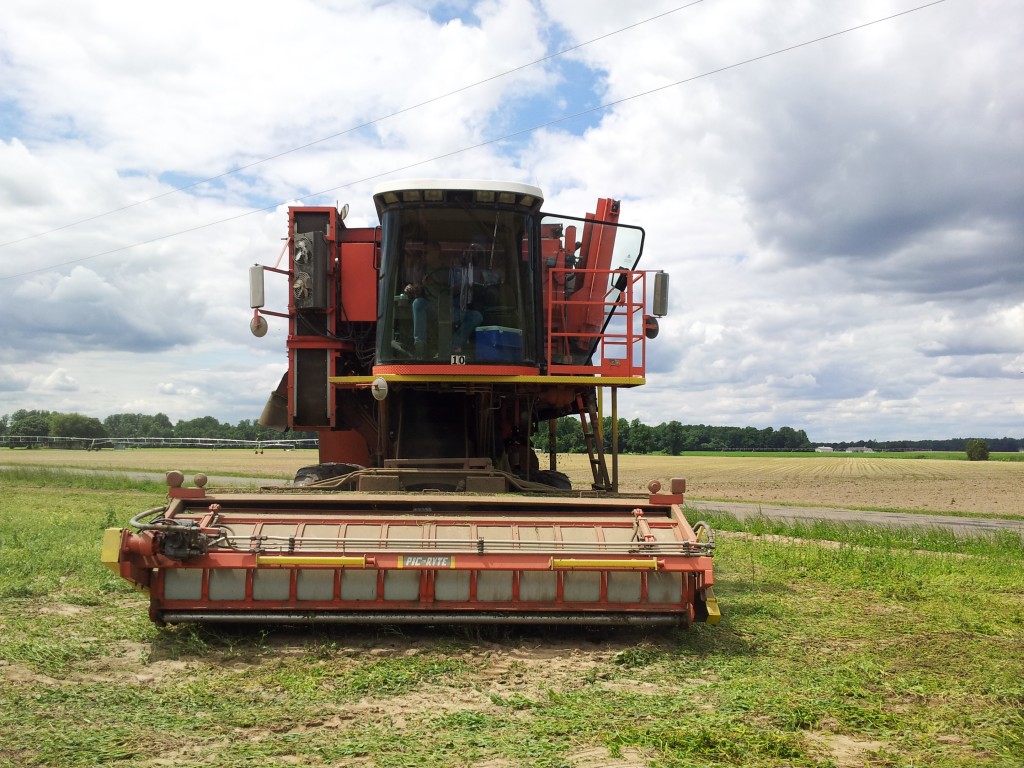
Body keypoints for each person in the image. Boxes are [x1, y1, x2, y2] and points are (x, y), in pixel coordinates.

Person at [403, 242, 482, 358]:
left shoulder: (452, 269)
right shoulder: (421, 270)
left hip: (453, 309)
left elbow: (462, 288)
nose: (423, 255)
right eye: (423, 253)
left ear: (437, 253)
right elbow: (417, 289)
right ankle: (420, 345)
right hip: (432, 308)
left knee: (477, 316)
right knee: (418, 303)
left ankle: (453, 346)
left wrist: (456, 287)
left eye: (427, 252)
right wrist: (411, 288)